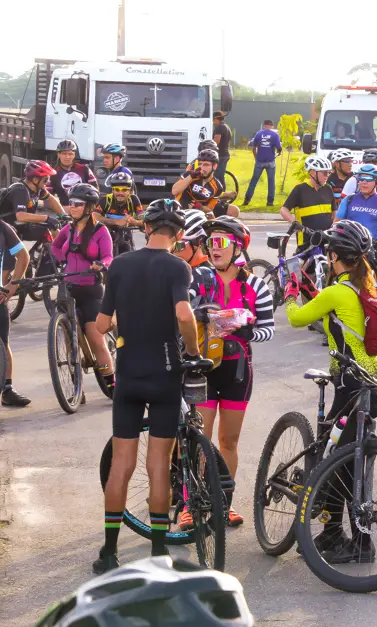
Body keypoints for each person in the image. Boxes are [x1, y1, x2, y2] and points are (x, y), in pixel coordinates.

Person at [93, 199, 199, 574]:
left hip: (129, 373)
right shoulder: (178, 267)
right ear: (179, 234)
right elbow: (184, 314)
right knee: (157, 464)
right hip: (165, 373)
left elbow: (102, 324)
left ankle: (109, 552)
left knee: (121, 464)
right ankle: (157, 552)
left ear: (146, 228)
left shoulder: (120, 265)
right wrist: (193, 350)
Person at [282, 220, 377, 562]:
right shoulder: (366, 285)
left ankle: (358, 544)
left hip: (349, 386)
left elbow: (297, 318)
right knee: (348, 462)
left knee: (340, 465)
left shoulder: (338, 291)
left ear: (333, 256)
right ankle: (331, 534)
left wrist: (290, 292)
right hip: (371, 384)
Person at [188, 217, 274, 529]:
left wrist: (246, 329)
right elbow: (181, 315)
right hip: (203, 368)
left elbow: (269, 332)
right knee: (201, 438)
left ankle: (224, 502)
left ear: (238, 247)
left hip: (238, 370)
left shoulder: (256, 286)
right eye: (210, 242)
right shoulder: (197, 279)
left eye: (221, 242)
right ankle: (190, 502)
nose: (214, 248)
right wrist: (197, 314)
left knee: (229, 440)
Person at [51, 183, 115, 393]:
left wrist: (102, 264)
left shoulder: (100, 231)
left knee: (96, 339)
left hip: (90, 290)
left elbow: (108, 255)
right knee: (67, 336)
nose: (72, 207)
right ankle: (74, 381)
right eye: (71, 203)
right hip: (69, 287)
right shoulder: (67, 229)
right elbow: (54, 246)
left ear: (89, 207)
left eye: (77, 204)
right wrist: (62, 261)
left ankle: (111, 381)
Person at [0, 198, 29, 407]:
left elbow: (23, 256)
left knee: (3, 343)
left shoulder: (3, 229)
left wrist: (12, 288)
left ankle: (8, 388)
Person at [0, 160, 65, 248]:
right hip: (5, 230)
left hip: (21, 226)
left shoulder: (38, 189)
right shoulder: (20, 190)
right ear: (35, 180)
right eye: (45, 180)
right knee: (21, 258)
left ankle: (49, 259)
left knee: (53, 231)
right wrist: (46, 218)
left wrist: (63, 215)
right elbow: (20, 216)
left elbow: (51, 200)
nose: (47, 183)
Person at [281, 155, 335, 253]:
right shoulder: (300, 189)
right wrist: (294, 223)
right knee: (303, 266)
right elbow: (283, 210)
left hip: (325, 238)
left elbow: (334, 212)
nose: (327, 176)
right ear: (312, 173)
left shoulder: (328, 189)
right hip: (306, 241)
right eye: (324, 173)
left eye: (329, 172)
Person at [336, 164, 377, 241]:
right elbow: (336, 224)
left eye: (368, 178)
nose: (364, 182)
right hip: (350, 245)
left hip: (373, 246)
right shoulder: (348, 200)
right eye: (361, 178)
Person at [172, 149, 239, 218]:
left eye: (206, 165)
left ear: (214, 166)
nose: (202, 168)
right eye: (200, 164)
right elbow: (174, 191)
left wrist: (200, 207)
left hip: (200, 214)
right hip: (181, 210)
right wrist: (191, 176)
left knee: (212, 217)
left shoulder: (218, 187)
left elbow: (209, 209)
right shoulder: (189, 175)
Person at [96, 171, 142, 255]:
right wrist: (116, 222)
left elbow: (143, 218)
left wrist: (135, 222)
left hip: (126, 234)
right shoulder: (105, 200)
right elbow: (95, 216)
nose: (120, 193)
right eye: (117, 189)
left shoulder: (133, 199)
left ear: (130, 191)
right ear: (112, 190)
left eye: (124, 190)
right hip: (107, 232)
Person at [243, 120, 282, 207]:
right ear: (272, 126)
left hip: (259, 161)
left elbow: (253, 147)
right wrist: (278, 153)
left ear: (264, 126)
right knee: (271, 181)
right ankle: (270, 202)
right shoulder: (275, 135)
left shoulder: (258, 134)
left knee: (254, 181)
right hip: (270, 161)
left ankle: (246, 200)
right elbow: (279, 147)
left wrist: (256, 157)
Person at [49, 140, 98, 205]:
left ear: (74, 155)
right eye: (64, 154)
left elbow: (95, 190)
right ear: (58, 155)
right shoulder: (53, 173)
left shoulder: (84, 169)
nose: (67, 157)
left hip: (84, 209)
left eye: (70, 154)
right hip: (65, 210)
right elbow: (48, 196)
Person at [212, 111, 233, 189]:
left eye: (213, 119)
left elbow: (216, 141)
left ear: (217, 119)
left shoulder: (220, 127)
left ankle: (221, 195)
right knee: (220, 175)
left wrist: (208, 147)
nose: (213, 122)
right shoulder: (226, 127)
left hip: (220, 155)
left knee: (218, 176)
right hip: (224, 154)